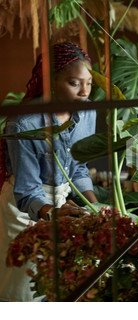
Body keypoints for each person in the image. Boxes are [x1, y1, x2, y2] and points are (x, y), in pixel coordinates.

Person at [0, 42, 98, 301]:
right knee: (23, 290)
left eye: (89, 83)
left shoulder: (88, 111)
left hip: (61, 204)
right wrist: (53, 214)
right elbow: (27, 190)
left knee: (55, 285)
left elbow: (78, 167)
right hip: (23, 208)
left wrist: (97, 210)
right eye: (75, 83)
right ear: (51, 81)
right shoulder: (25, 122)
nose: (84, 92)